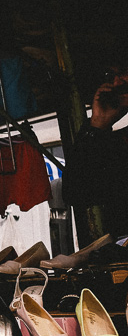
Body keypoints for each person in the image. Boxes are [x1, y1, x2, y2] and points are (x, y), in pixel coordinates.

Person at [63, 64, 128, 238]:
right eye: (112, 75)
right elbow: (75, 193)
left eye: (123, 74)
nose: (116, 82)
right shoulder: (116, 141)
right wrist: (98, 124)